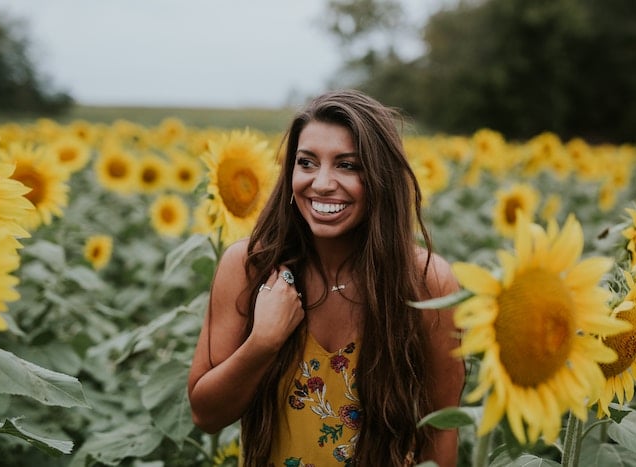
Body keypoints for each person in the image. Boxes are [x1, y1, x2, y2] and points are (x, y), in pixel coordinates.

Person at [188, 89, 465, 466]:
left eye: (347, 165)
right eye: (306, 162)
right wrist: (263, 342)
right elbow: (206, 415)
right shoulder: (251, 266)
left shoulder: (425, 282)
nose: (321, 183)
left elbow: (440, 427)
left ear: (381, 178)